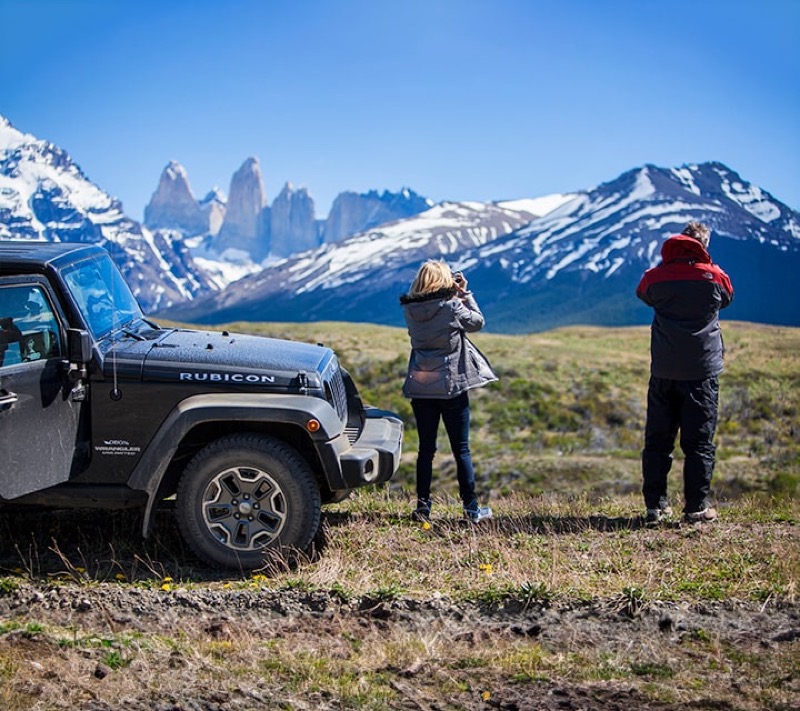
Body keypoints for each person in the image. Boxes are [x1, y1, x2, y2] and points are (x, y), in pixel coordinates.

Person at [636, 221, 734, 525]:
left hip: (664, 370)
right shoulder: (715, 277)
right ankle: (695, 507)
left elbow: (644, 294)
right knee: (699, 442)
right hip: (702, 371)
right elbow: (728, 297)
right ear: (704, 244)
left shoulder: (655, 277)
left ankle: (655, 507)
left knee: (658, 441)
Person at [399, 260, 498, 523]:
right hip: (451, 387)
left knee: (425, 450)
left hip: (421, 386)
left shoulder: (410, 309)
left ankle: (423, 508)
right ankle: (471, 509)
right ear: (444, 280)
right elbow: (477, 322)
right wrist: (464, 294)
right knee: (461, 449)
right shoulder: (452, 306)